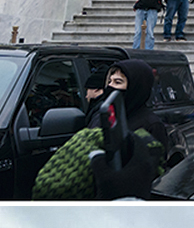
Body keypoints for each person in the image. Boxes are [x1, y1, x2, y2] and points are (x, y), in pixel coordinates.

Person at [31, 59, 168, 201]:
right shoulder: (104, 115)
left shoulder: (151, 124)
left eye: (118, 82)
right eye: (110, 81)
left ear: (136, 86)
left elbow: (153, 174)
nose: (111, 87)